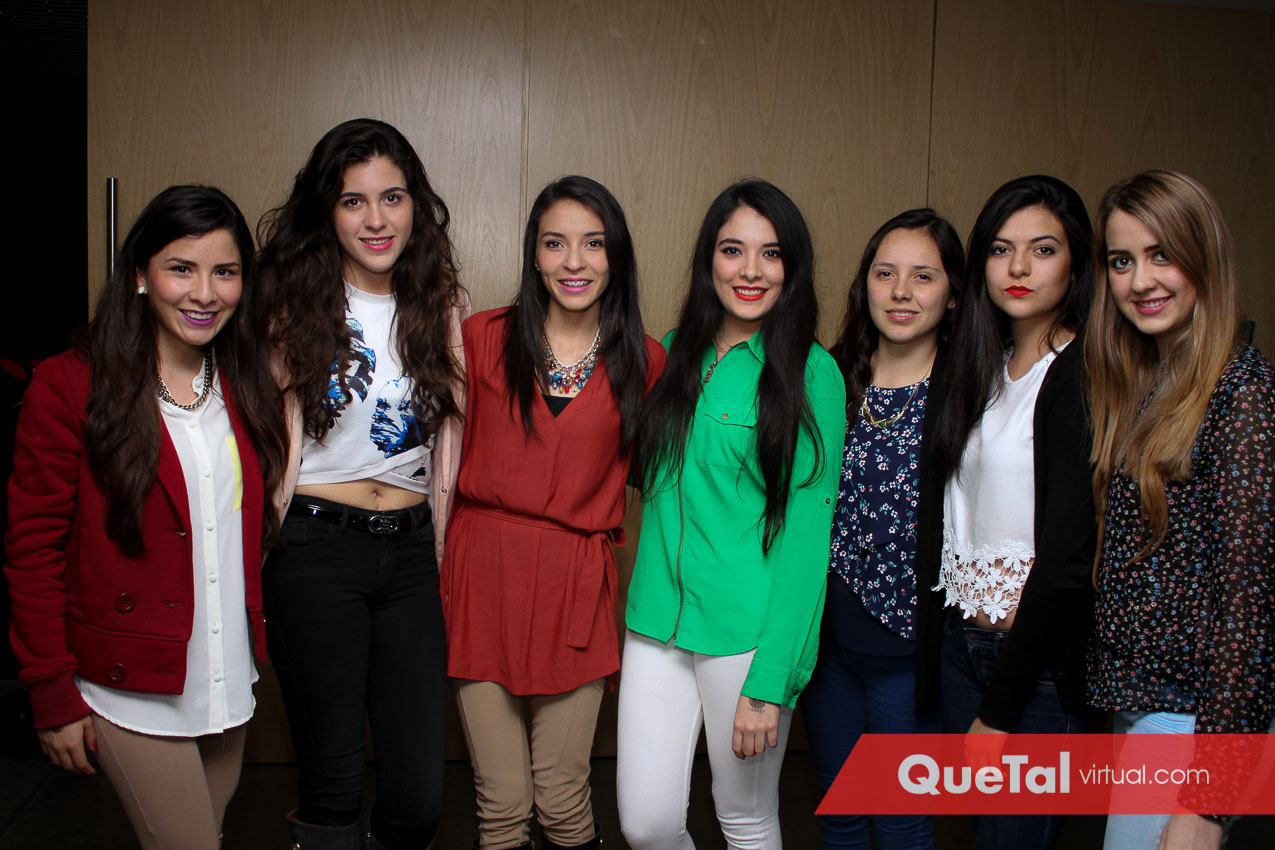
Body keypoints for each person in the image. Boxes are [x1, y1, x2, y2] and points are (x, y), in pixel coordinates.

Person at [4, 185, 286, 850]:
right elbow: (33, 549)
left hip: (224, 675)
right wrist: (49, 688)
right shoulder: (70, 383)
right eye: (181, 268)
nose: (205, 293)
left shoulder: (245, 383)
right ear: (139, 274)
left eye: (225, 272)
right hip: (125, 681)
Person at [257, 118, 468, 849]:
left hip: (412, 554)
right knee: (334, 786)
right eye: (353, 201)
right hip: (315, 547)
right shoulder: (286, 304)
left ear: (415, 205)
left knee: (418, 800)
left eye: (392, 198)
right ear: (327, 210)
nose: (376, 220)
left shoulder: (441, 306)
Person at [617, 179, 846, 849]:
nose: (750, 271)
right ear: (708, 260)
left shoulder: (812, 373)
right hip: (655, 621)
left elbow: (807, 543)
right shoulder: (669, 353)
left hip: (745, 636)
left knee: (744, 819)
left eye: (770, 254)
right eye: (732, 250)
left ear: (792, 268)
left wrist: (770, 681)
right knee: (645, 826)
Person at [441, 175, 664, 850]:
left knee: (563, 796)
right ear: (533, 255)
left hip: (576, 584)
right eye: (554, 243)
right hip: (484, 576)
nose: (574, 262)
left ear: (616, 256)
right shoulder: (480, 336)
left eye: (593, 243)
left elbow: (658, 479)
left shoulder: (645, 360)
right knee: (502, 801)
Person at [1086, 170, 1275, 849]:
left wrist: (1207, 801)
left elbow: (1249, 609)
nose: (1140, 281)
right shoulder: (1148, 383)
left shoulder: (1241, 394)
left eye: (1161, 254)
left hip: (1192, 719)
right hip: (1142, 704)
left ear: (1203, 257)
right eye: (1121, 261)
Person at [919, 175, 1099, 849]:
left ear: (1075, 262)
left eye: (1042, 250)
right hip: (963, 649)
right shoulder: (981, 366)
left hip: (1036, 668)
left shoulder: (1083, 373)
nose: (1018, 267)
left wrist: (1000, 710)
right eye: (1000, 249)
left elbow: (1067, 560)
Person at [802, 209, 964, 850]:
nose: (900, 292)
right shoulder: (829, 376)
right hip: (824, 645)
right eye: (884, 273)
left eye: (923, 276)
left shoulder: (969, 391)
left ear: (953, 294)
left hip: (910, 650)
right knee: (840, 814)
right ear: (863, 284)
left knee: (901, 821)